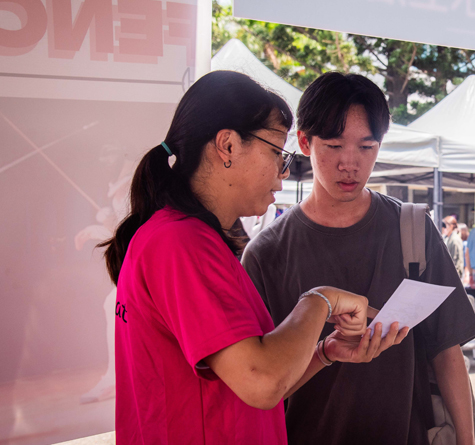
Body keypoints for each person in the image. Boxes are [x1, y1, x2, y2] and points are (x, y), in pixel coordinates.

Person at [100, 71, 407, 444]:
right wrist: (319, 300)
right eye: (277, 153)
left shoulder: (189, 238)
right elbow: (261, 381)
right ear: (227, 146)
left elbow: (250, 373)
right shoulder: (180, 242)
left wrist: (325, 352)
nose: (283, 174)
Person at [243, 72, 475, 445]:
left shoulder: (414, 230)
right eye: (335, 146)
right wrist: (325, 353)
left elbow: (447, 351)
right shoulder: (267, 253)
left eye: (366, 147)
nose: (350, 164)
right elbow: (257, 384)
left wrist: (467, 441)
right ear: (305, 142)